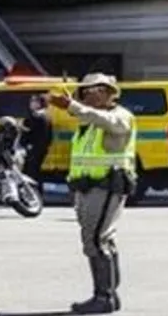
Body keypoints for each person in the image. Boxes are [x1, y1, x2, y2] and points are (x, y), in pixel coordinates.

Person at [47, 73, 135, 314]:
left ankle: (104, 297)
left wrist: (72, 106)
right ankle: (109, 295)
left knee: (95, 239)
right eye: (84, 91)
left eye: (94, 89)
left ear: (109, 92)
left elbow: (105, 120)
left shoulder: (120, 116)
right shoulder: (88, 123)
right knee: (101, 238)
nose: (87, 94)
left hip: (106, 185)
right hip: (87, 187)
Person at [22, 94, 53, 186]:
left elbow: (29, 132)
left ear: (39, 104)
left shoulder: (36, 116)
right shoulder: (47, 116)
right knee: (36, 172)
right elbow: (49, 136)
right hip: (42, 149)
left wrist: (27, 144)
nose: (30, 103)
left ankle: (31, 190)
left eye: (33, 101)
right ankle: (37, 190)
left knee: (29, 172)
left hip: (33, 148)